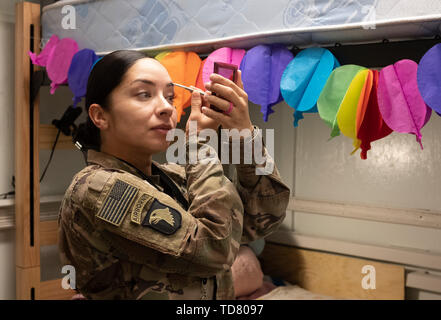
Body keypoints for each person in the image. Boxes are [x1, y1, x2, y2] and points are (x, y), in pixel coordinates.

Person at [58, 50, 290, 300]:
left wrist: (244, 135)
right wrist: (198, 145)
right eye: (144, 94)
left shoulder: (173, 178)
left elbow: (263, 219)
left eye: (170, 96)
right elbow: (216, 250)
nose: (167, 108)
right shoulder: (99, 188)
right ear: (100, 116)